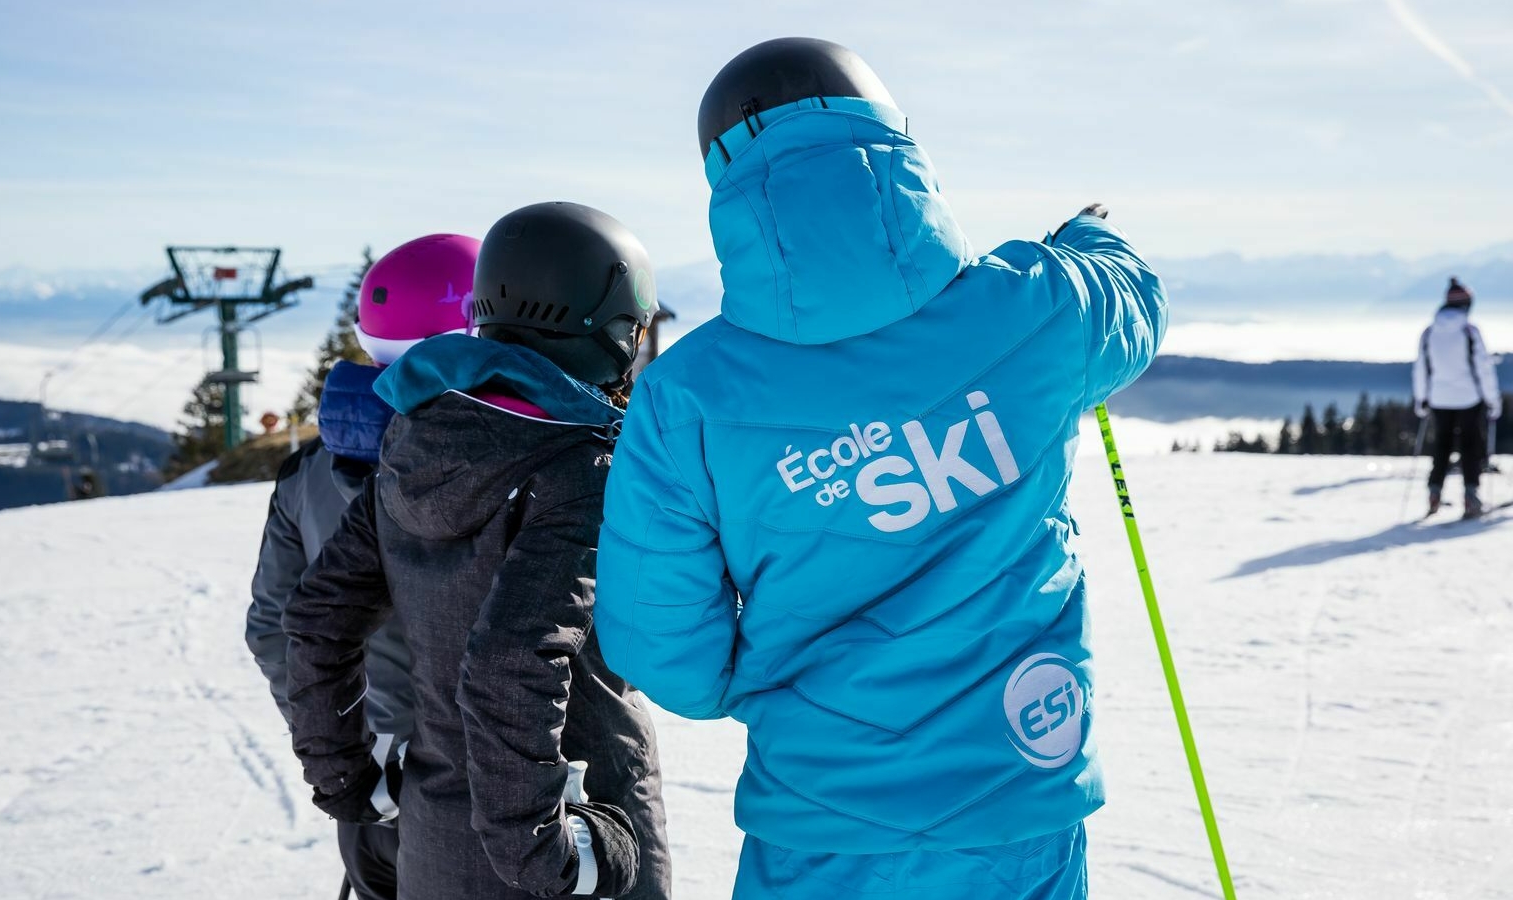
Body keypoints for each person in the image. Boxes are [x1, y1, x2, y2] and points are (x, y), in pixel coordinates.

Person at [595, 38, 1167, 900]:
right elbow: (1133, 301)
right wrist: (1091, 238)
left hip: (819, 820)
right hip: (1017, 797)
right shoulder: (1031, 304)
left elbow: (666, 652)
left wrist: (789, 689)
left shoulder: (686, 396)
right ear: (897, 146)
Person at [280, 202, 671, 900]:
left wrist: (350, 780)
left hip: (436, 838)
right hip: (571, 833)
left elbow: (317, 619)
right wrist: (547, 850)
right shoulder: (580, 468)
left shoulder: (415, 438)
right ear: (606, 327)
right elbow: (508, 663)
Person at [246, 233, 480, 900]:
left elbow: (273, 628)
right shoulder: (497, 465)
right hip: (490, 783)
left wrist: (344, 749)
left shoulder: (306, 474)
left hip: (377, 785)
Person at [1413, 277, 1501, 519]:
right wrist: (1492, 399)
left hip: (1438, 398)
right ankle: (1471, 495)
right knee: (1470, 446)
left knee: (1441, 446)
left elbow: (1422, 368)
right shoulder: (1469, 331)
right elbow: (1483, 368)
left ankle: (1434, 491)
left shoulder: (1429, 332)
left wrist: (1421, 398)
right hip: (1468, 398)